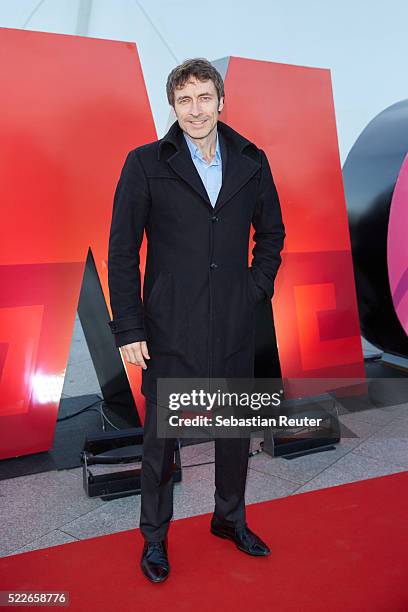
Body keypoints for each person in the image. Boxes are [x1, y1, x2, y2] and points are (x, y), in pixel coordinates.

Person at [107, 58, 285, 583]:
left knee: (233, 432)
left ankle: (229, 519)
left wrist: (253, 290)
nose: (195, 110)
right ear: (173, 107)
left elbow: (271, 235)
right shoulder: (144, 163)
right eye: (184, 100)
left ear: (221, 100)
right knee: (162, 444)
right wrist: (130, 328)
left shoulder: (252, 160)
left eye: (204, 98)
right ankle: (155, 540)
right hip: (168, 325)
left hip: (233, 321)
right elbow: (122, 253)